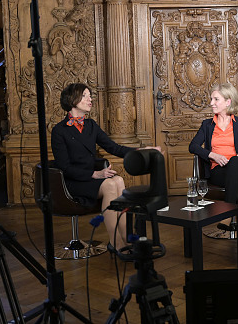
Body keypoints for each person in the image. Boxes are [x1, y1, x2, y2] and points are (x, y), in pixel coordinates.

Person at [51, 83, 160, 252]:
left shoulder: (91, 125)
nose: (90, 99)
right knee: (110, 184)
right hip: (73, 181)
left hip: (92, 178)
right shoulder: (59, 130)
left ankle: (126, 239)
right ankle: (116, 244)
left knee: (118, 180)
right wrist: (95, 174)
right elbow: (64, 167)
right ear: (73, 99)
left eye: (90, 95)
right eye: (86, 96)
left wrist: (142, 151)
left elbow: (114, 148)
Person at [189, 83, 238, 229]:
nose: (211, 103)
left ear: (228, 102)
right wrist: (213, 155)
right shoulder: (207, 125)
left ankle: (227, 214)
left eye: (216, 99)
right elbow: (193, 146)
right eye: (211, 99)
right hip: (218, 171)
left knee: (235, 161)